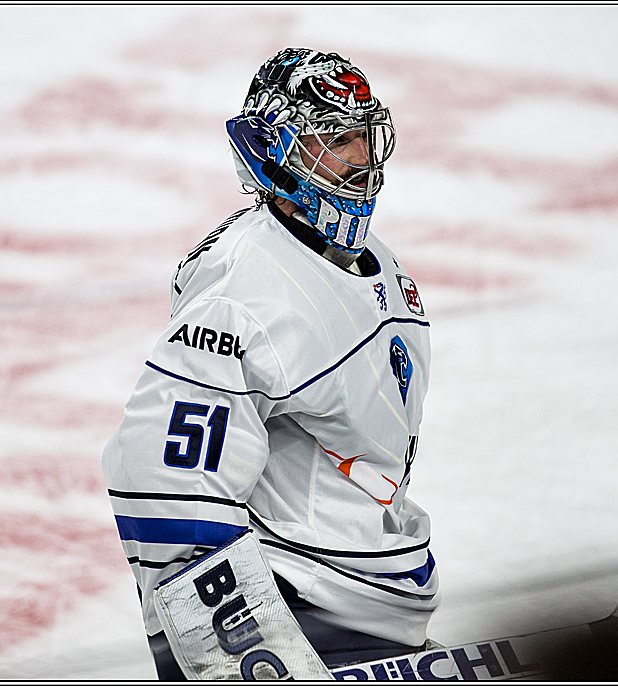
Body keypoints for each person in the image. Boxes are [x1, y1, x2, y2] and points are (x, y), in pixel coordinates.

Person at [101, 47, 438, 678]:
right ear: (282, 150)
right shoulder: (247, 292)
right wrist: (233, 651)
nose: (361, 157)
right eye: (336, 138)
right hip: (304, 612)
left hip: (374, 598)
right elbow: (162, 474)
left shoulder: (375, 262)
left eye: (365, 136)